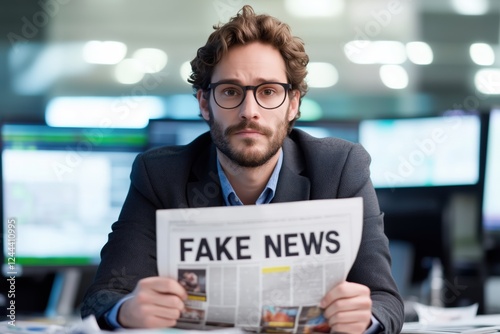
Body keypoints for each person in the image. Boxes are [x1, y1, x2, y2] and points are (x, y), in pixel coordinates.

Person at [81, 5, 404, 333]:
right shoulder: (159, 176)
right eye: (231, 92)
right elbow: (101, 298)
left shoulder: (340, 168)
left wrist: (365, 319)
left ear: (293, 104)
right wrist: (126, 311)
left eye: (268, 91)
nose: (250, 111)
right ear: (205, 104)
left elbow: (386, 301)